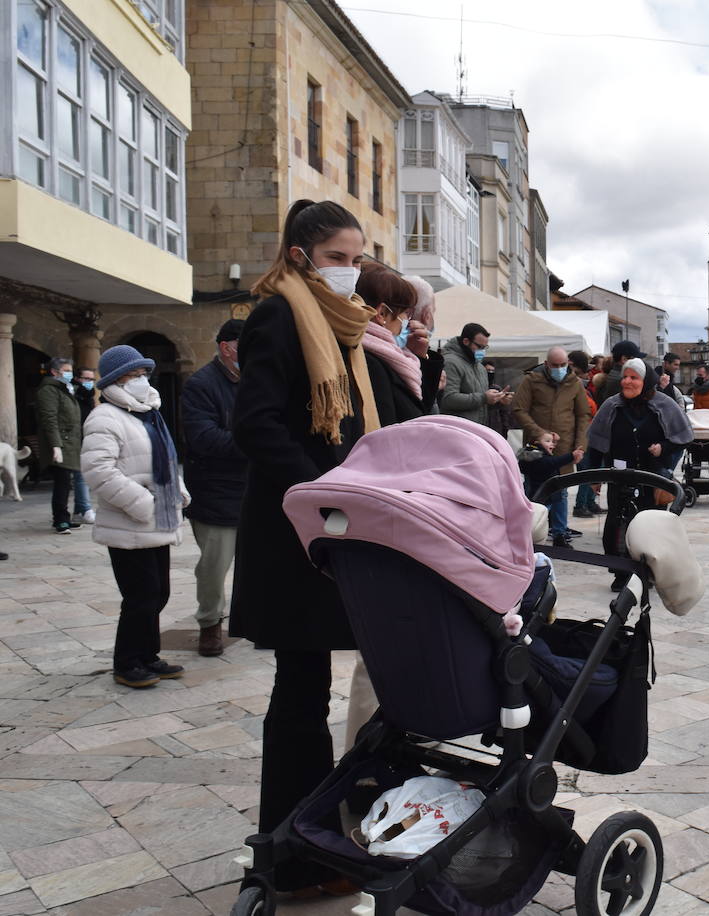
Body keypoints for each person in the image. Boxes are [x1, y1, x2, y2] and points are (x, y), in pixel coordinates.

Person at [229, 198, 377, 894]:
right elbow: (255, 425)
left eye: (357, 260)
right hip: (295, 534)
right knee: (299, 692)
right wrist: (320, 492)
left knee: (305, 687)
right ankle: (295, 855)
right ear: (299, 256)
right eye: (337, 259)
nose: (350, 273)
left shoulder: (338, 325)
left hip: (324, 528)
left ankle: (300, 843)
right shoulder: (281, 315)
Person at [81, 345, 189, 688]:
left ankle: (148, 655)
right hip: (130, 522)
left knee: (158, 594)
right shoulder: (104, 417)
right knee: (140, 596)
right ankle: (126, 662)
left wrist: (178, 492)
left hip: (157, 521)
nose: (142, 381)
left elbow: (166, 460)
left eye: (144, 374)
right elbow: (98, 471)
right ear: (116, 380)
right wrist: (142, 503)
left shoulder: (148, 413)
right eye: (134, 375)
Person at [585, 358, 693, 590]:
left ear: (645, 381)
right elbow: (596, 443)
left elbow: (683, 437)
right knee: (617, 525)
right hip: (620, 475)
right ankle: (621, 573)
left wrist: (663, 448)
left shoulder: (664, 404)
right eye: (625, 377)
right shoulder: (611, 406)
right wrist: (594, 478)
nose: (627, 381)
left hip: (652, 478)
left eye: (633, 377)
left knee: (650, 526)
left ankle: (648, 572)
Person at [181, 319, 249, 658]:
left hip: (251, 489)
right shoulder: (201, 385)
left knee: (254, 563)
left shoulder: (255, 381)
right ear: (227, 348)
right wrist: (254, 444)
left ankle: (253, 619)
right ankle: (210, 624)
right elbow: (204, 438)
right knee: (214, 565)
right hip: (214, 490)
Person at [512, 346, 589, 544]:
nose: (560, 369)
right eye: (555, 365)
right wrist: (539, 434)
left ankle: (559, 532)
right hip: (536, 449)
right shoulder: (531, 380)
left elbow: (583, 415)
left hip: (563, 447)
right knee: (533, 490)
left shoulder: (575, 384)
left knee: (560, 492)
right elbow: (519, 409)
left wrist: (580, 445)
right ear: (546, 364)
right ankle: (529, 529)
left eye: (563, 365)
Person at [356, 263, 442, 424]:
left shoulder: (389, 356)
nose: (407, 320)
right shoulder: (373, 363)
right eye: (406, 312)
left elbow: (420, 405)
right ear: (382, 314)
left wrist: (419, 356)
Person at [35, 357, 84, 534]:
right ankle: (60, 520)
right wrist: (56, 445)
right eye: (66, 370)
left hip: (70, 443)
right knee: (62, 483)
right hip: (61, 443)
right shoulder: (49, 390)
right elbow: (50, 419)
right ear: (55, 372)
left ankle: (65, 516)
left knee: (66, 482)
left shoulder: (64, 389)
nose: (69, 373)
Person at [440, 322, 510, 425]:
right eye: (479, 347)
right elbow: (448, 399)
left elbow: (479, 403)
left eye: (485, 348)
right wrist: (484, 398)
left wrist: (497, 400)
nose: (482, 351)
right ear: (466, 341)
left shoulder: (480, 367)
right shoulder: (450, 362)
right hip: (456, 430)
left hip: (476, 430)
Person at [518, 431, 578, 546]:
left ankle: (559, 534)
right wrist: (571, 456)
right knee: (538, 516)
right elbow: (550, 463)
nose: (552, 444)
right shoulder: (534, 455)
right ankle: (531, 536)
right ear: (536, 443)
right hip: (540, 494)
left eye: (552, 442)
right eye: (548, 441)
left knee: (558, 511)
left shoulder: (534, 452)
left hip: (553, 492)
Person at [569, 350, 604, 518]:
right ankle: (580, 505)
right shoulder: (576, 390)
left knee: (594, 471)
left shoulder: (585, 389)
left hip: (589, 434)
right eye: (584, 371)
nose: (587, 374)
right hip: (582, 436)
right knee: (586, 472)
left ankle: (589, 503)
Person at [72, 366, 98, 524]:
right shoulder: (73, 395)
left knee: (84, 475)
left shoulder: (89, 396)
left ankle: (79, 511)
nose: (89, 382)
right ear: (77, 379)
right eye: (86, 379)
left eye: (92, 379)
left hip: (87, 438)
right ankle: (86, 508)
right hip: (76, 439)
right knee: (80, 475)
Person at [594, 340, 644, 405]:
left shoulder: (612, 376)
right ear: (624, 359)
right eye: (636, 359)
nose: (639, 362)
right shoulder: (622, 380)